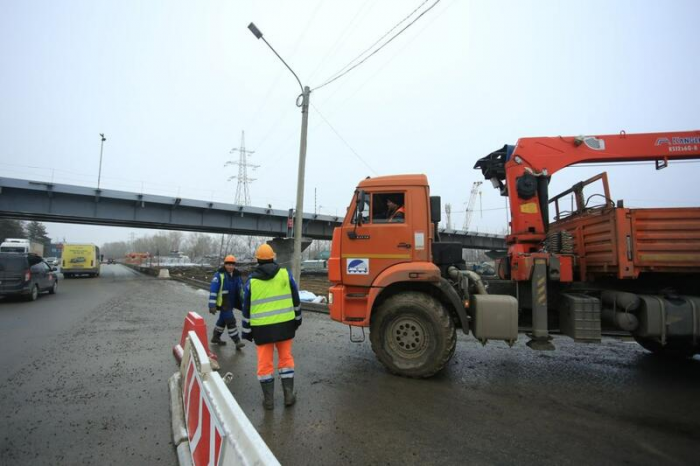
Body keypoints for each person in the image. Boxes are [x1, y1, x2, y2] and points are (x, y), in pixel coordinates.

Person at [241, 243, 302, 410]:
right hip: (285, 326)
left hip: (262, 330)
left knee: (265, 364)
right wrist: (297, 319)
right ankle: (288, 396)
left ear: (258, 260)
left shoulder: (251, 282)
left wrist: (246, 331)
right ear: (273, 258)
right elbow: (295, 299)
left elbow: (246, 308)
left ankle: (269, 401)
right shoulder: (285, 275)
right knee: (286, 359)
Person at [208, 255, 245, 349]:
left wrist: (244, 302)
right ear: (225, 265)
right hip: (224, 303)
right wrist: (212, 305)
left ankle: (216, 337)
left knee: (222, 321)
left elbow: (241, 290)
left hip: (232, 302)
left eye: (232, 265)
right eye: (228, 264)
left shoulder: (237, 275)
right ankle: (237, 341)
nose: (230, 267)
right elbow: (213, 290)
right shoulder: (219, 275)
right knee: (230, 321)